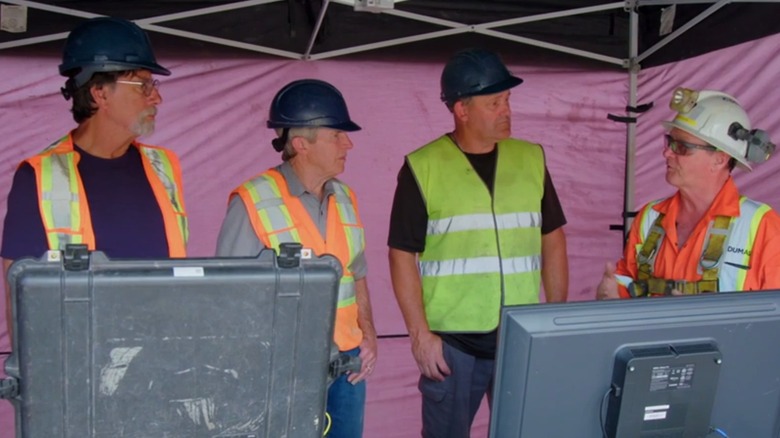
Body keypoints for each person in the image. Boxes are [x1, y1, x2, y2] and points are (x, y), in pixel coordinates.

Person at [387, 48, 569, 437]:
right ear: (461, 109)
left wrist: (556, 318)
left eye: (506, 100)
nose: (506, 111)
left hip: (521, 338)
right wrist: (420, 335)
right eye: (494, 103)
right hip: (453, 348)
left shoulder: (531, 158)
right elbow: (401, 253)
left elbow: (552, 238)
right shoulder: (423, 166)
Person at [2, 17, 188, 336]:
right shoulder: (38, 176)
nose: (156, 98)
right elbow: (19, 300)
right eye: (143, 85)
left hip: (162, 359)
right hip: (80, 368)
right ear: (100, 93)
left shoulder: (164, 166)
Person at [215, 79, 378, 438]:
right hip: (283, 372)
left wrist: (369, 335)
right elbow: (228, 298)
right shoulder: (253, 201)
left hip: (347, 370)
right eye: (337, 135)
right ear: (301, 144)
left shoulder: (345, 197)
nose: (348, 143)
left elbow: (357, 273)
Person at [597, 87, 780, 300]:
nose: (667, 152)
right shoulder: (649, 217)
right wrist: (612, 296)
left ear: (719, 159)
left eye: (681, 147)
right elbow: (629, 285)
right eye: (669, 142)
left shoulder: (762, 226)